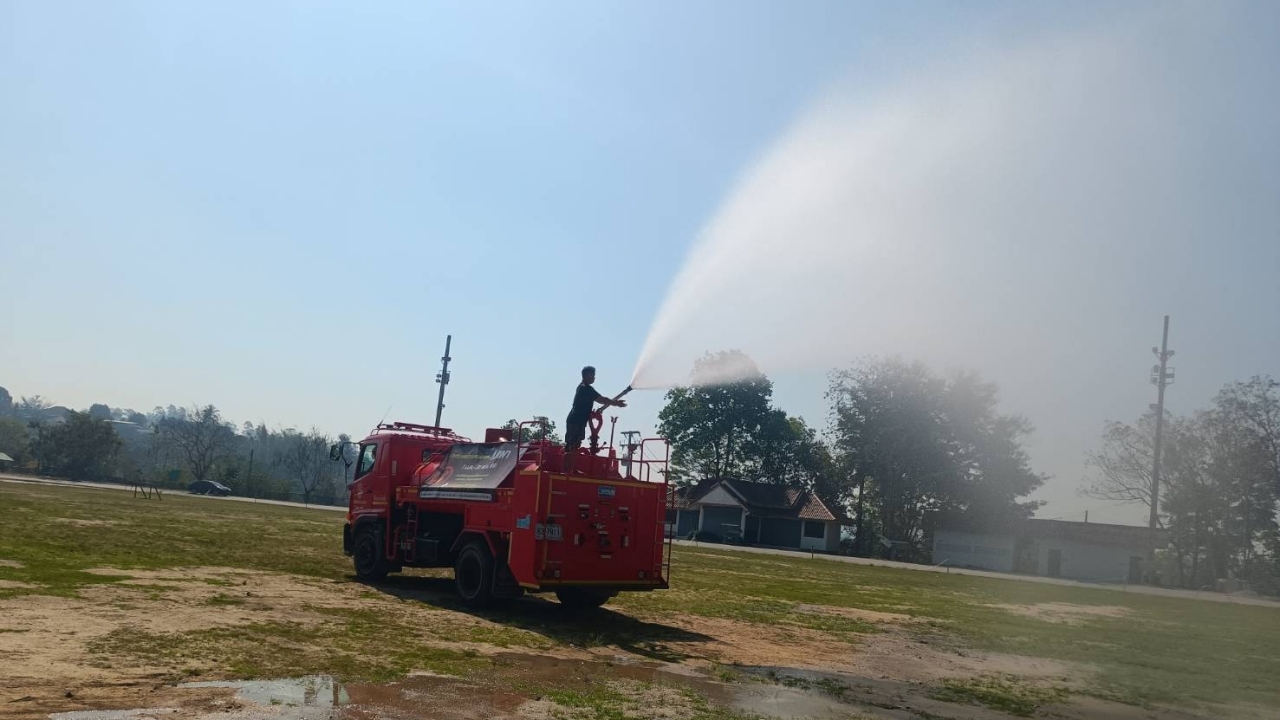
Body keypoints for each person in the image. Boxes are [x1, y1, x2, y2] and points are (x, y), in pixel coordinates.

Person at [564, 365, 627, 475]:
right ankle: (569, 470)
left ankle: (571, 469)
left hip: (579, 421)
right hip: (575, 421)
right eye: (592, 375)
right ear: (586, 375)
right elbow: (601, 399)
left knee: (576, 444)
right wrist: (615, 403)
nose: (594, 378)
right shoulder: (585, 389)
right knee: (572, 445)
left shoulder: (584, 388)